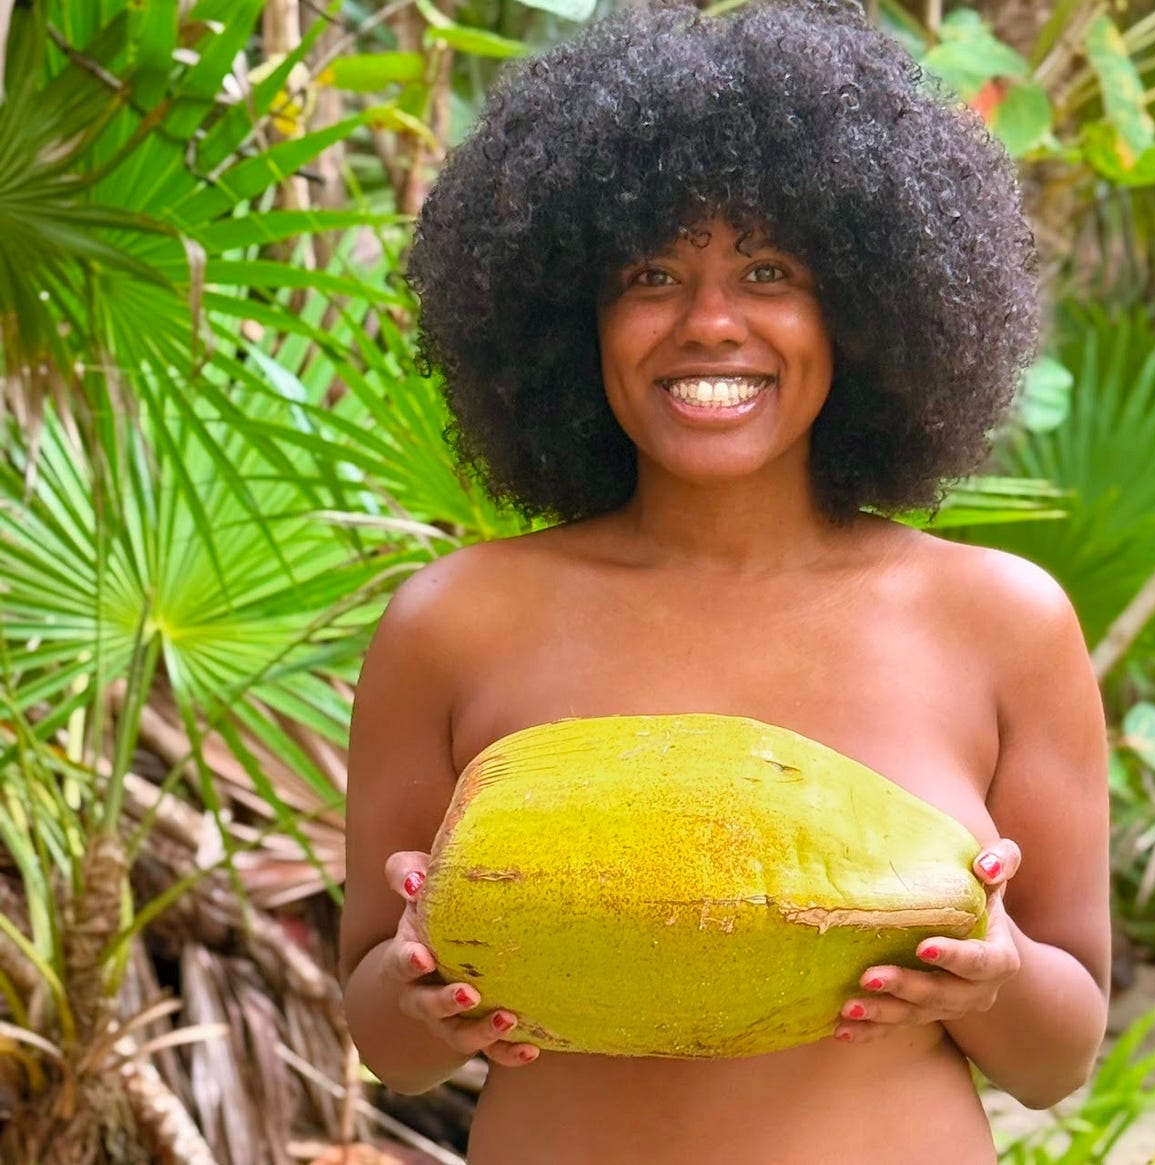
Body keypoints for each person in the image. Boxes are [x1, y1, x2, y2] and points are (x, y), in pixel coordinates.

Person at [339, 2, 1110, 1162]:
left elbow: (1061, 1059)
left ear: (860, 308)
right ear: (571, 318)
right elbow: (384, 1042)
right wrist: (415, 992)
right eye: (651, 272)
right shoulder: (454, 622)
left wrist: (988, 977)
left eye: (767, 270)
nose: (709, 323)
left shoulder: (998, 621)